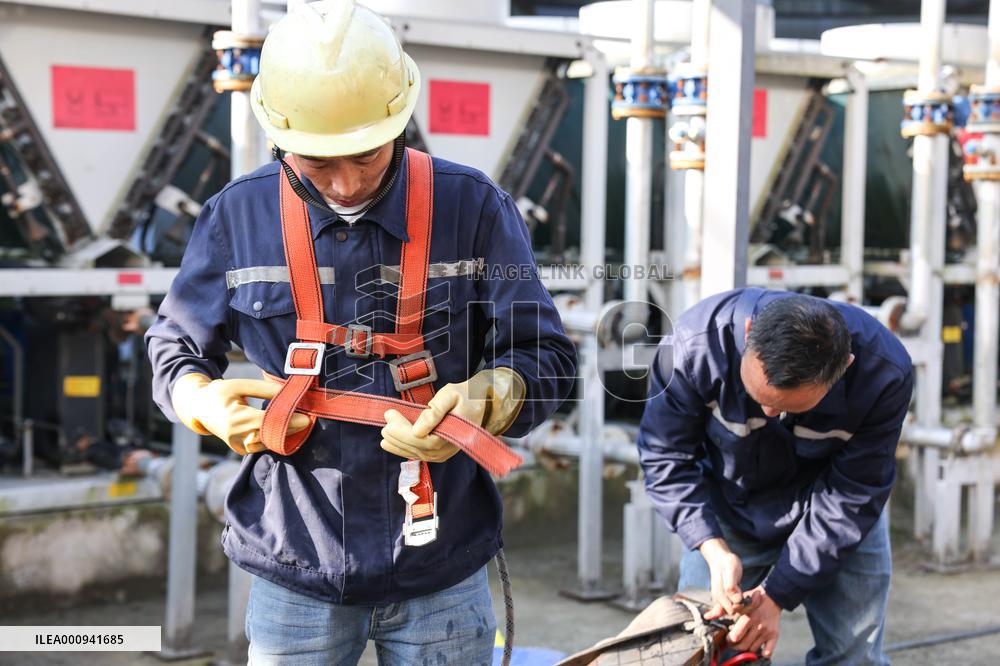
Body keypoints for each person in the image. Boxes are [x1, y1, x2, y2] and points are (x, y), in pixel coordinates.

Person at [144, 1, 577, 663]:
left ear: (400, 121)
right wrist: (198, 399)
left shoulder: (475, 208)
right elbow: (171, 344)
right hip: (298, 563)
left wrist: (491, 397)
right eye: (318, 163)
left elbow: (548, 355)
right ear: (278, 137)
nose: (345, 184)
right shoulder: (237, 217)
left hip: (442, 567)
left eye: (366, 157)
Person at [638, 288, 913, 664]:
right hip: (729, 508)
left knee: (854, 656)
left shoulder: (882, 374)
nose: (768, 412)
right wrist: (711, 547)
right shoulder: (694, 346)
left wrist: (776, 596)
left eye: (786, 405)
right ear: (749, 331)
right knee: (702, 645)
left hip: (837, 516)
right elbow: (665, 454)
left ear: (844, 366)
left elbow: (856, 491)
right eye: (759, 395)